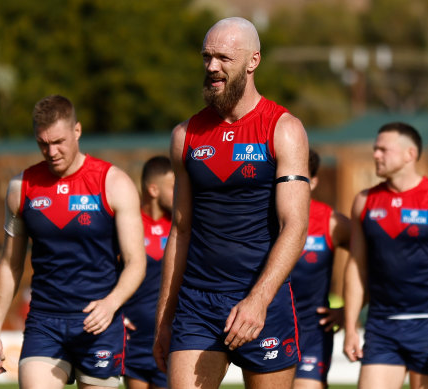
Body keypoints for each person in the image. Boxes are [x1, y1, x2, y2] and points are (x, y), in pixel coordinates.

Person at [153, 17, 310, 389]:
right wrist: (164, 319)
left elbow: (295, 226)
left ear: (253, 61)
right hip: (197, 304)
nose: (211, 67)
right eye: (206, 57)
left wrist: (258, 300)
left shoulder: (283, 129)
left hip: (262, 300)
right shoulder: (185, 135)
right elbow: (180, 229)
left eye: (223, 57)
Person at [0, 95, 147, 389]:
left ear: (77, 131)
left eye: (58, 141)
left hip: (100, 325)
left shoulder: (113, 183)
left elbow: (136, 263)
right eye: (43, 143)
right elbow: (10, 264)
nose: (52, 151)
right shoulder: (20, 189)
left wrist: (111, 304)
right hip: (45, 324)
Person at [343, 122, 428, 389]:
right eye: (375, 149)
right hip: (381, 327)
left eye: (383, 150)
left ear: (410, 154)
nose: (376, 154)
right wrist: (351, 326)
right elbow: (357, 267)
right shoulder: (364, 201)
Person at [290, 149, 350, 389]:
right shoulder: (262, 218)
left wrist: (349, 311)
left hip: (313, 331)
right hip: (270, 326)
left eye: (299, 176)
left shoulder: (332, 222)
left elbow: (375, 261)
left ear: (313, 182)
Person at [123, 156, 174, 389]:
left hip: (170, 337)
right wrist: (116, 313)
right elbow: (108, 273)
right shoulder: (128, 225)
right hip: (134, 339)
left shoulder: (180, 228)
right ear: (153, 189)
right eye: (173, 187)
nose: (180, 193)